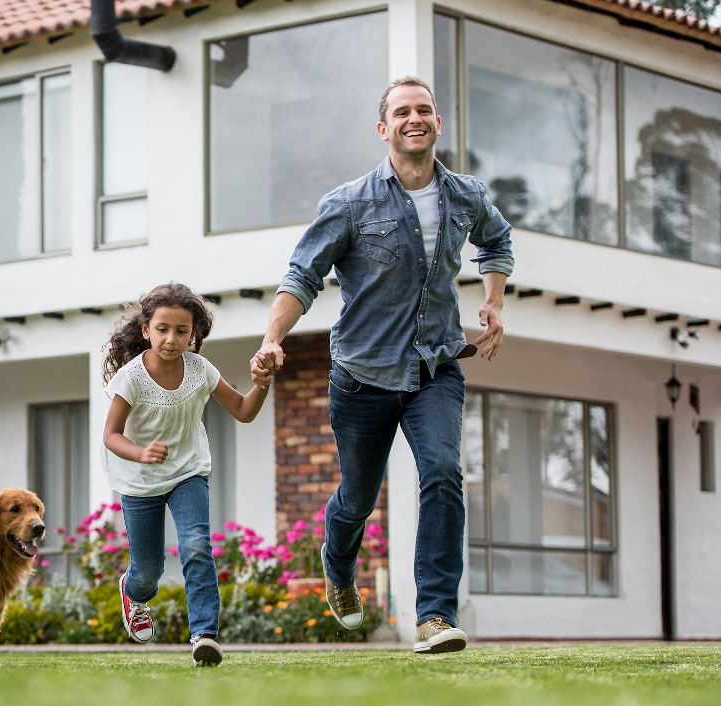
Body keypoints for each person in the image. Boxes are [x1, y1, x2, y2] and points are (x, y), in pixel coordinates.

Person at [251, 76, 514, 654]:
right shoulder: (347, 203)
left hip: (435, 368)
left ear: (438, 123)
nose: (414, 119)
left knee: (444, 474)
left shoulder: (465, 194)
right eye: (402, 112)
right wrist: (273, 336)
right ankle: (339, 566)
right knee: (358, 499)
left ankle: (435, 617)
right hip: (362, 377)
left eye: (424, 110)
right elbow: (301, 276)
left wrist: (492, 300)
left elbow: (496, 241)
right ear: (384, 128)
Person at [102, 282, 272, 667]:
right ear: (146, 330)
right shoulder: (131, 378)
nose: (171, 339)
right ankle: (133, 593)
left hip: (188, 472)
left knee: (196, 545)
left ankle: (204, 636)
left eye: (182, 331)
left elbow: (244, 411)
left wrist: (261, 385)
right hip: (139, 480)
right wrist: (141, 453)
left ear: (193, 334)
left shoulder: (200, 370)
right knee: (149, 571)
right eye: (162, 329)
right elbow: (111, 436)